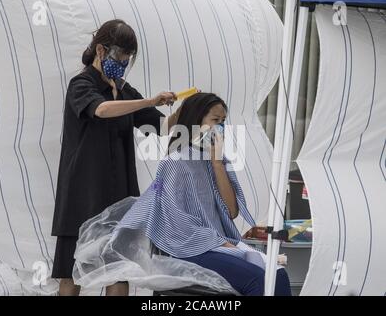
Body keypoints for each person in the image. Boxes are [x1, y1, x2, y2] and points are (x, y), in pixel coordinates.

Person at [73, 92, 292, 296]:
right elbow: (177, 225)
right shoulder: (175, 163)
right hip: (189, 248)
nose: (221, 127)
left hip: (216, 244)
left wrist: (217, 164)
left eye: (224, 121)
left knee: (278, 275)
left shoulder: (218, 161)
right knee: (260, 280)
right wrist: (217, 242)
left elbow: (231, 211)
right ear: (196, 121)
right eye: (216, 120)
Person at [51, 19, 180, 296]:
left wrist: (193, 107)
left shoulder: (123, 90)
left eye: (128, 58)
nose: (122, 62)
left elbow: (161, 126)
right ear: (100, 50)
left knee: (120, 273)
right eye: (120, 55)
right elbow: (101, 110)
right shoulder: (81, 84)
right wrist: (149, 101)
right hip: (81, 196)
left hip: (118, 197)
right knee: (70, 276)